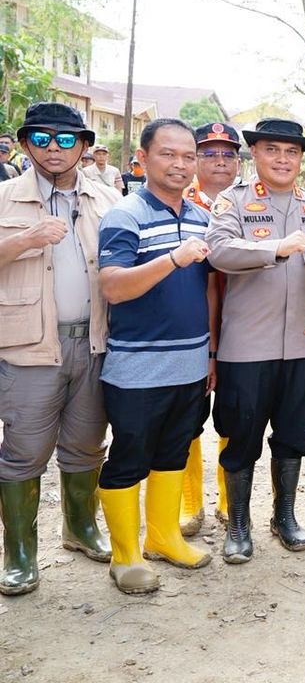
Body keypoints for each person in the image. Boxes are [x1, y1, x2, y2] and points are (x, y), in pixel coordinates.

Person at [0, 103, 120, 596]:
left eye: (67, 139)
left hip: (93, 344)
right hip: (29, 346)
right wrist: (23, 240)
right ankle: (20, 554)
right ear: (26, 144)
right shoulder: (5, 198)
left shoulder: (109, 199)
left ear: (85, 147)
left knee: (87, 443)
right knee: (24, 451)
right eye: (43, 138)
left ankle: (80, 527)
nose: (55, 147)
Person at [206, 119, 305, 563]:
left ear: (302, 159)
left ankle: (285, 516)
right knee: (241, 434)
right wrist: (275, 248)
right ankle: (238, 523)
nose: (283, 160)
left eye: (292, 152)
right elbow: (219, 251)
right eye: (273, 150)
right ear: (256, 154)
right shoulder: (234, 201)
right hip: (247, 345)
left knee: (294, 435)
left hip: (302, 346)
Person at [96, 118, 217, 594]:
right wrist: (172, 258)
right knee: (130, 457)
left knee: (173, 453)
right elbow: (113, 286)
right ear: (143, 159)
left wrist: (210, 351)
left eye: (189, 156)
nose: (181, 164)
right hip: (136, 367)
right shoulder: (125, 215)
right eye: (169, 154)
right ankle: (125, 555)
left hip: (189, 363)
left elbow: (209, 289)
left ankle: (165, 537)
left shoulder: (202, 217)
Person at [178, 122, 243, 535]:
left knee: (236, 415)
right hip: (193, 327)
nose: (220, 160)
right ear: (195, 159)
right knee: (186, 416)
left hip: (241, 327)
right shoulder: (180, 204)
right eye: (209, 153)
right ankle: (188, 504)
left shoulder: (251, 202)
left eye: (228, 153)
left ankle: (226, 496)